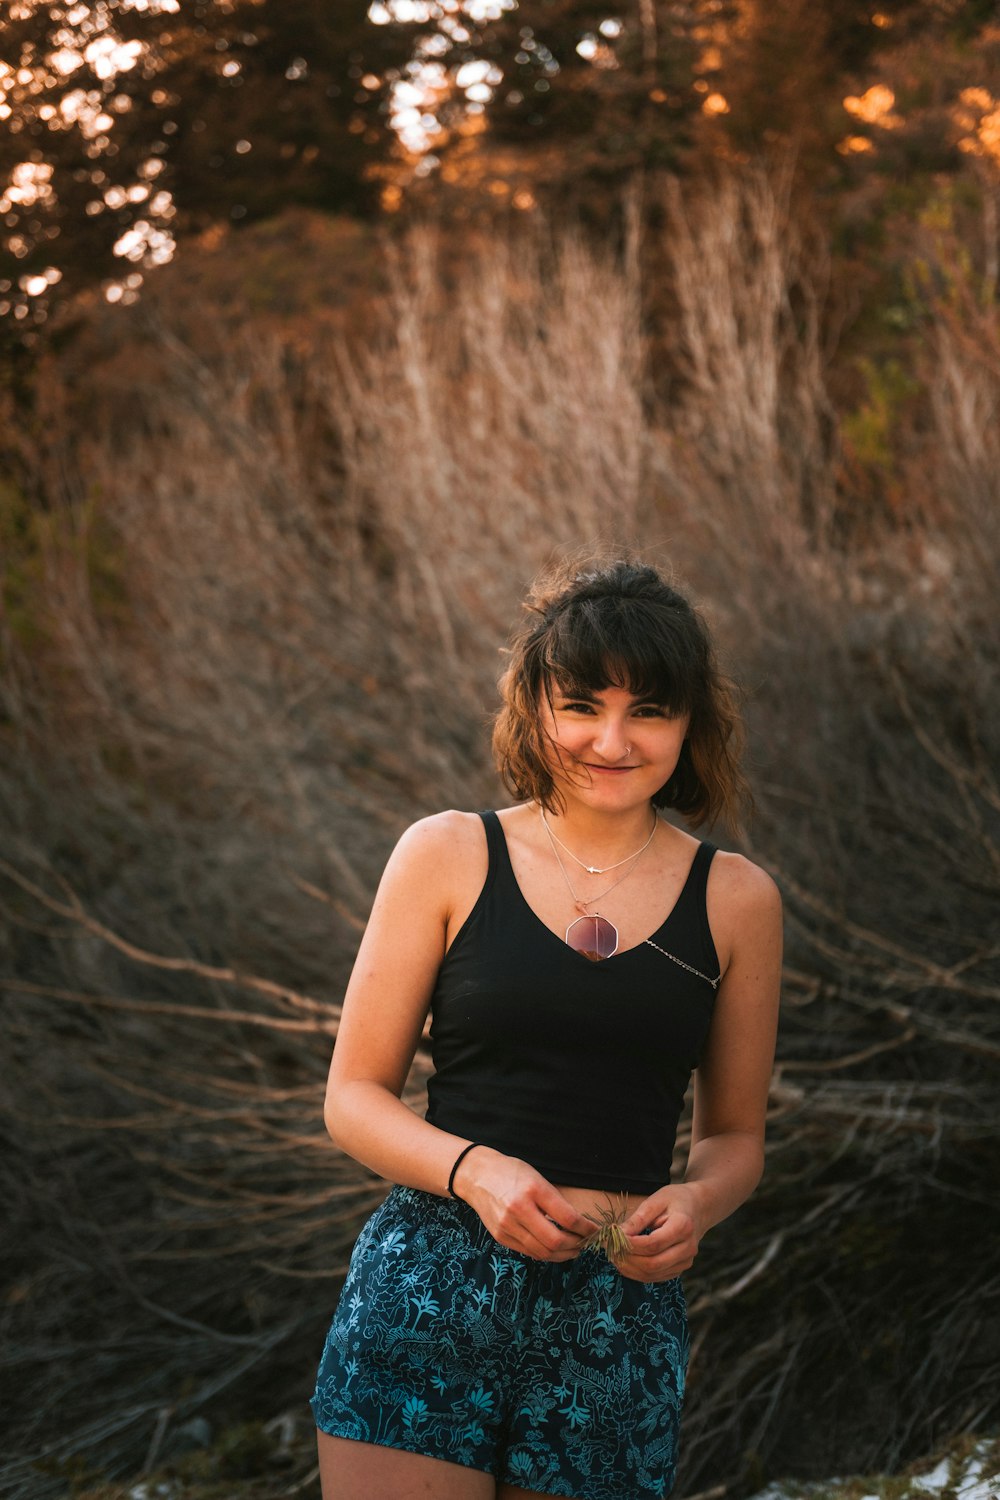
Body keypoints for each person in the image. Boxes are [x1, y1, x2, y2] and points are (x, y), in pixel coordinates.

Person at [310, 557, 782, 1500]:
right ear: (534, 709)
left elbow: (734, 1138)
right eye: (581, 706)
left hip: (617, 1309)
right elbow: (352, 1098)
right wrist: (476, 1171)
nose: (611, 740)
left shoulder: (736, 899)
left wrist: (696, 1203)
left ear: (690, 725)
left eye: (648, 710)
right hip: (429, 1287)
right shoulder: (445, 854)